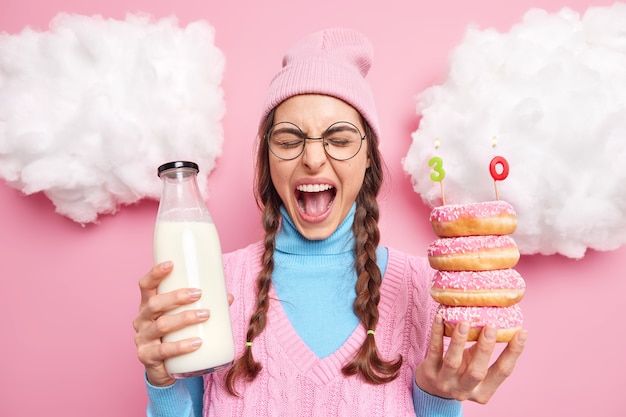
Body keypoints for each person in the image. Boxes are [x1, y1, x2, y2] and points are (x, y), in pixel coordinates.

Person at [132, 27, 527, 416]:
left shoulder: (428, 289)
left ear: (369, 156)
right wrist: (163, 382)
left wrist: (437, 398)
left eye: (339, 139)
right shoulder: (213, 286)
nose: (313, 159)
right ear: (267, 160)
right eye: (289, 140)